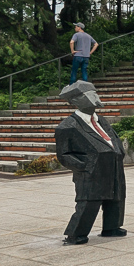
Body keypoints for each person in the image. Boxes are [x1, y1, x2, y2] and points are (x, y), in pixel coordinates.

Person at [55, 81, 126, 244]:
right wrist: (85, 166)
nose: (95, 97)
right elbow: (63, 155)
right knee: (89, 202)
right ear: (76, 100)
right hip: (91, 172)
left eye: (95, 93)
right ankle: (76, 233)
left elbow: (113, 138)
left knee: (116, 198)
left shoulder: (101, 120)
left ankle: (112, 227)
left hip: (113, 166)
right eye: (89, 95)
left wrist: (119, 152)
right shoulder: (67, 126)